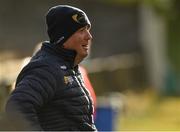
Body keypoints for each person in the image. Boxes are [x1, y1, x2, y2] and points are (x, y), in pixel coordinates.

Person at [5, 5, 97, 131]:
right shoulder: (46, 68)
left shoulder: (69, 67)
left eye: (87, 29)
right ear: (64, 36)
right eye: (81, 30)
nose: (89, 36)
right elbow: (17, 107)